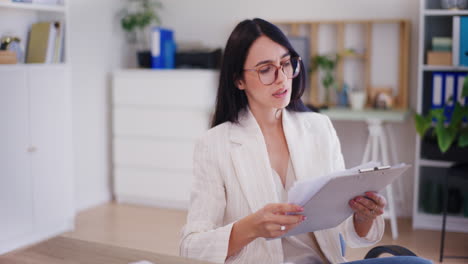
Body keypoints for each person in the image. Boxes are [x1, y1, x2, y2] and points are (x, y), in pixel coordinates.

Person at [179, 18, 432, 264]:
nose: (281, 78)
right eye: (266, 69)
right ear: (238, 80)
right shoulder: (214, 145)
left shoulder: (319, 128)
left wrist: (362, 216)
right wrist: (251, 227)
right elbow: (191, 247)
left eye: (286, 63)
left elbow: (343, 229)